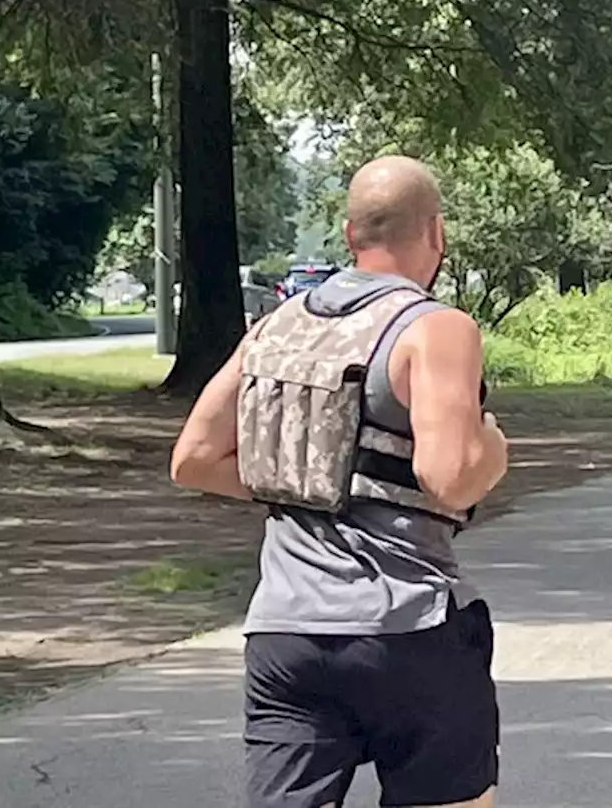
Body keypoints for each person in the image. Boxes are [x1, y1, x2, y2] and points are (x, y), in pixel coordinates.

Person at [170, 154, 508, 808]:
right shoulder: (437, 327)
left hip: (284, 635)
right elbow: (451, 481)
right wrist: (494, 448)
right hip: (407, 630)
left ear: (351, 237)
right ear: (436, 234)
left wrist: (312, 479)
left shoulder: (277, 326)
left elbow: (193, 458)